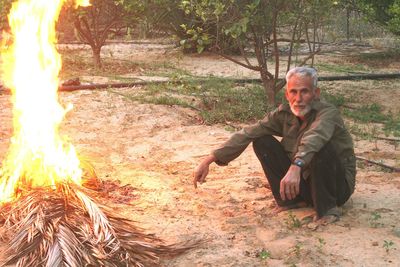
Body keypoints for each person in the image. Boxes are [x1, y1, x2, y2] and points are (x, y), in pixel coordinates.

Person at [193, 67, 356, 223]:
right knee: (262, 141)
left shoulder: (328, 113)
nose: (298, 99)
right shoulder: (284, 113)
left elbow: (315, 137)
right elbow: (250, 132)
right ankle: (291, 201)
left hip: (336, 188)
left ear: (316, 93)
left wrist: (296, 166)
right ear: (287, 95)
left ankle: (327, 210)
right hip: (305, 181)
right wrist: (209, 159)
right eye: (293, 92)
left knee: (321, 148)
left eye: (304, 91)